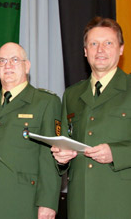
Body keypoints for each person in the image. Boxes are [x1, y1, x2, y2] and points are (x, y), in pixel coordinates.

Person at [51, 17, 131, 219]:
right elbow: (66, 141)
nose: (100, 50)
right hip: (81, 203)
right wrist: (61, 159)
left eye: (108, 43)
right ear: (85, 51)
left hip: (122, 201)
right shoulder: (72, 94)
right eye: (93, 44)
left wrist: (117, 153)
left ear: (121, 49)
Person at [0, 42, 61, 219]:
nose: (8, 65)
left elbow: (50, 157)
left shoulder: (45, 102)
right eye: (2, 61)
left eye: (15, 60)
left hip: (25, 201)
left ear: (27, 66)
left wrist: (47, 203)